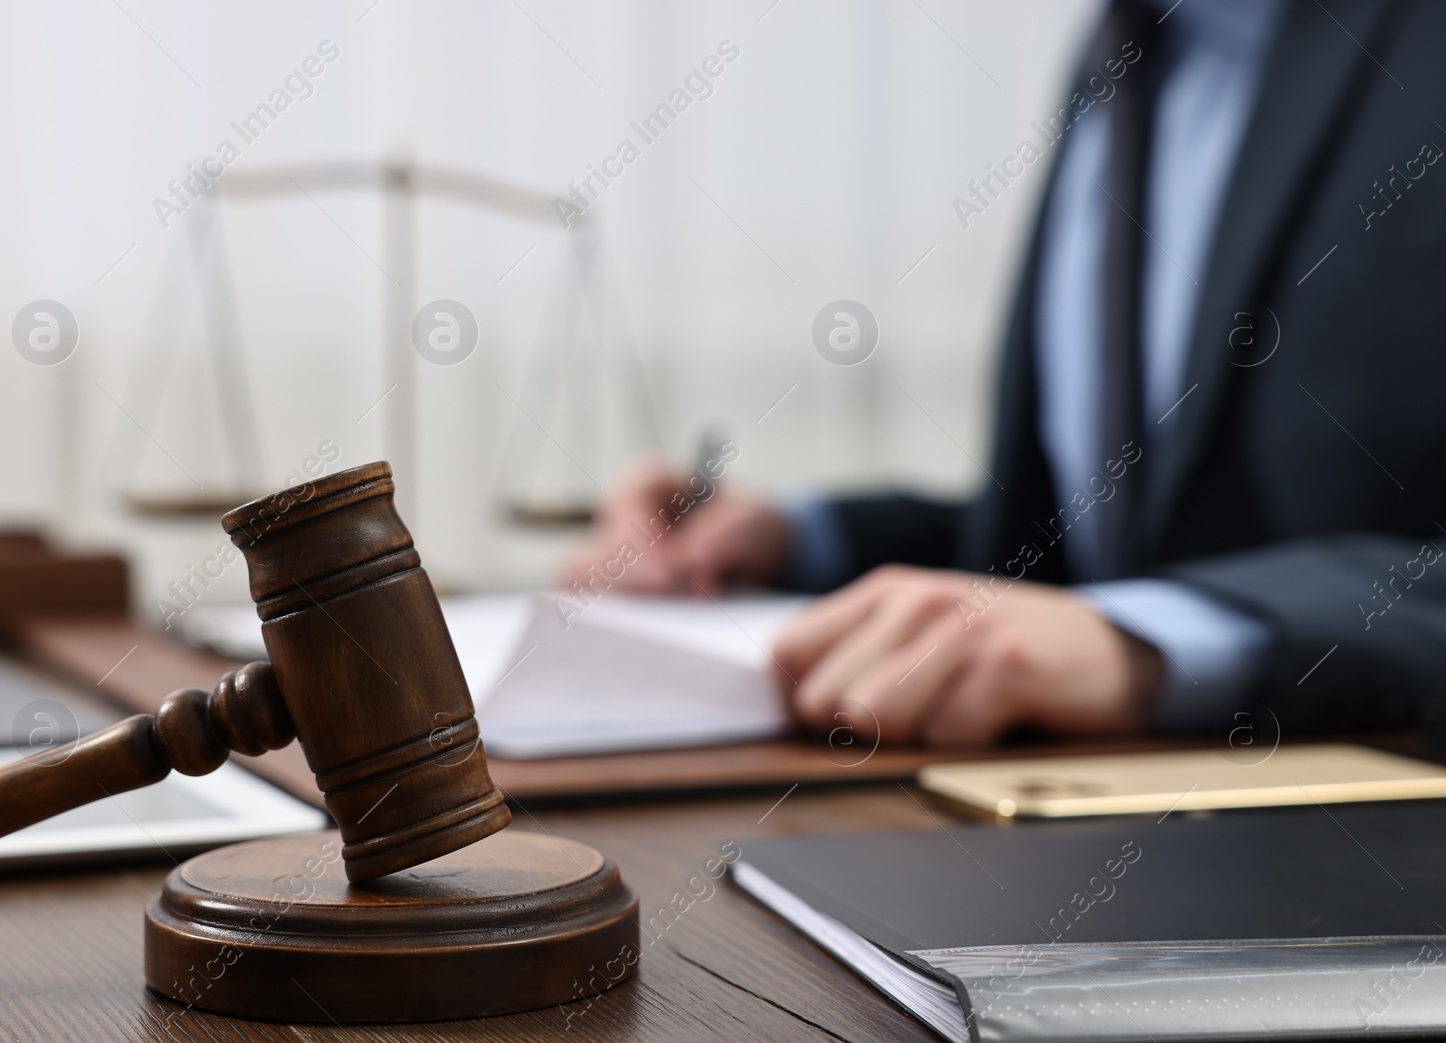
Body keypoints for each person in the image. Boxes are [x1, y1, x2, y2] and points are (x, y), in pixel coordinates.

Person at [562, 0, 1446, 748]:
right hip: (1094, 834)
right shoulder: (1125, 63)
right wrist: (793, 535)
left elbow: (1114, 614)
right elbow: (1078, 561)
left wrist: (1148, 643)